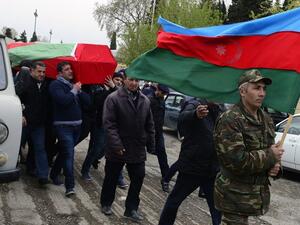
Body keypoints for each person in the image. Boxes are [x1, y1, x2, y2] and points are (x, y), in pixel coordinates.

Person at [213, 69, 284, 225]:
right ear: (243, 91)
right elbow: (236, 161)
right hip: (233, 196)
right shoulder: (230, 119)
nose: (262, 93)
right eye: (256, 88)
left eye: (264, 88)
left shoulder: (266, 118)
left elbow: (270, 149)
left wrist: (276, 166)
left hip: (255, 195)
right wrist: (270, 156)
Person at [100, 71, 155, 222]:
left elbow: (150, 124)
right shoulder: (113, 98)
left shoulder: (145, 100)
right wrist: (116, 144)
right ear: (124, 80)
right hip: (117, 147)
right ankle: (106, 203)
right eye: (131, 80)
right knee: (111, 178)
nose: (134, 83)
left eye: (137, 80)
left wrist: (151, 143)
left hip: (137, 147)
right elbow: (109, 124)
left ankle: (131, 209)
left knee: (138, 178)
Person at [158, 98, 222, 225]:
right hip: (192, 168)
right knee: (174, 202)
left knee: (217, 208)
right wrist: (195, 114)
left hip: (211, 170)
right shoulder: (195, 105)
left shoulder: (219, 111)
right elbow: (183, 117)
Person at [49, 61, 90, 197]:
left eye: (70, 69)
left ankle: (54, 174)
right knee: (69, 154)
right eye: (67, 69)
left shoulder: (73, 85)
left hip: (77, 126)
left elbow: (88, 102)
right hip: (63, 126)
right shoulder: (55, 85)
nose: (70, 71)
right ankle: (70, 186)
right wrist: (74, 91)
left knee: (64, 152)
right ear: (60, 73)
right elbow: (63, 100)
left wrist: (79, 90)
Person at [81, 71, 128, 189]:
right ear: (110, 79)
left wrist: (114, 89)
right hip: (101, 124)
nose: (118, 82)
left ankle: (119, 177)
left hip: (116, 126)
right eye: (117, 80)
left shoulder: (122, 92)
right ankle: (85, 170)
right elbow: (98, 103)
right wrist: (111, 89)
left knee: (113, 151)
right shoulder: (101, 89)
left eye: (121, 81)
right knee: (96, 148)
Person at [17, 61, 50, 186]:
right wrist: (20, 114)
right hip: (25, 124)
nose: (42, 74)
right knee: (16, 147)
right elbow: (16, 99)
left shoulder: (46, 85)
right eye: (39, 71)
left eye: (43, 72)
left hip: (39, 125)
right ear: (32, 71)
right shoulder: (24, 83)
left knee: (40, 148)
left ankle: (43, 176)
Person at [149, 84, 170, 192]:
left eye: (164, 94)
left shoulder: (162, 100)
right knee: (136, 151)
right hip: (147, 132)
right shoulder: (149, 100)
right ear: (157, 90)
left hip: (158, 133)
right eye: (161, 92)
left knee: (162, 153)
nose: (162, 95)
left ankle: (165, 178)